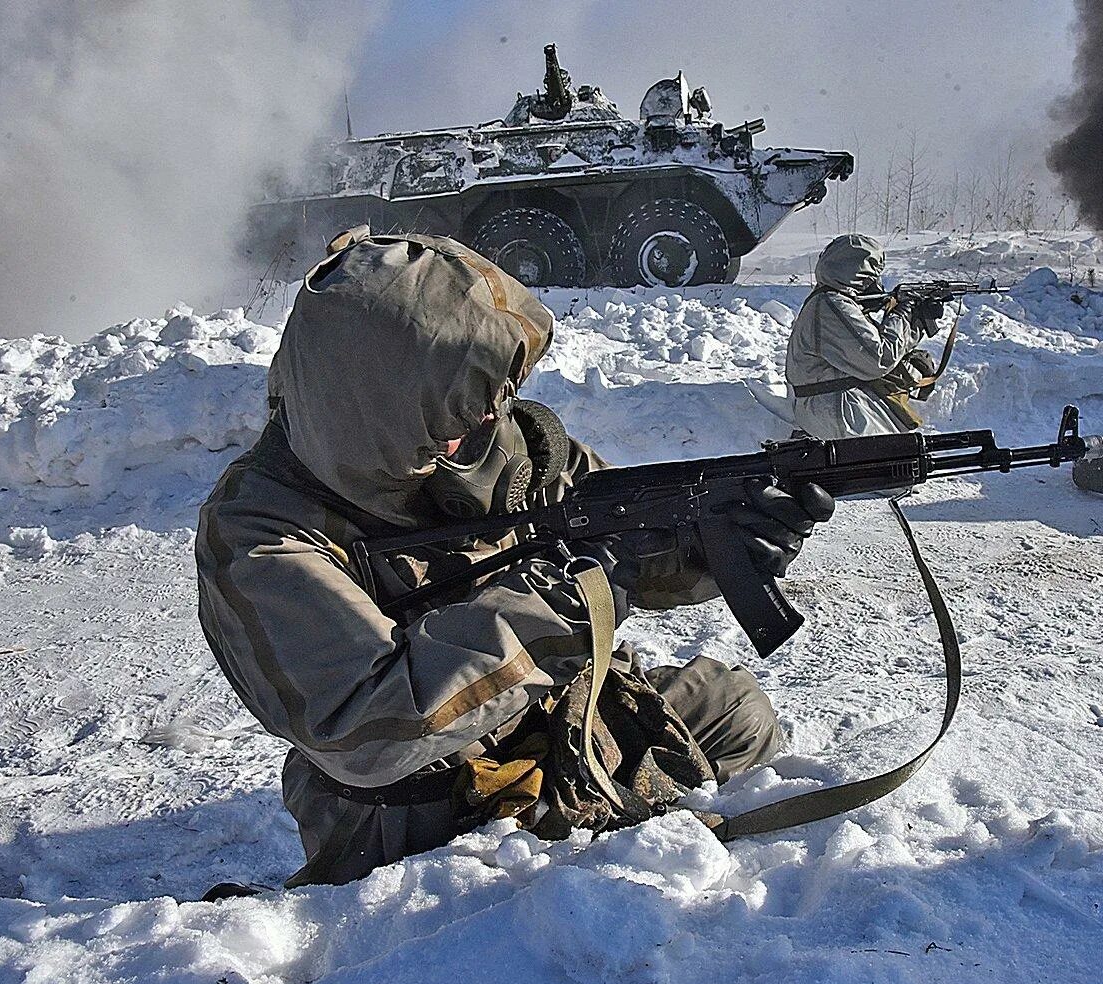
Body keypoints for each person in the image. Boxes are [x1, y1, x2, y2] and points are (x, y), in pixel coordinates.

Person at [196, 230, 833, 887]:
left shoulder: (491, 438)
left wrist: (723, 538)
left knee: (736, 711)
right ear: (376, 399)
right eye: (456, 409)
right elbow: (369, 725)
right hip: (417, 801)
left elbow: (626, 539)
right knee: (513, 909)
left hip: (548, 717)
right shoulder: (259, 534)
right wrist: (564, 604)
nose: (484, 422)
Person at [786, 234, 945, 438]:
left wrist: (915, 322)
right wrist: (902, 315)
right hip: (839, 410)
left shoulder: (831, 301)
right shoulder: (831, 304)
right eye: (872, 275)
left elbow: (880, 347)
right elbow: (878, 359)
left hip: (836, 404)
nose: (876, 283)